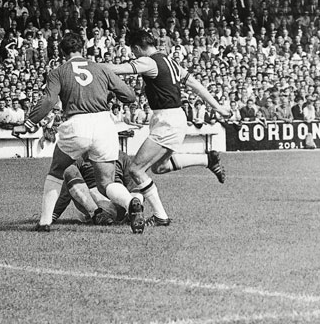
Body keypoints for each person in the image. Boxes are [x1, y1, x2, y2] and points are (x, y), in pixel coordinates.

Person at [13, 32, 142, 233]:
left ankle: (45, 222)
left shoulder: (58, 72)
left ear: (63, 52)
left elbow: (48, 100)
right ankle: (131, 201)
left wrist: (29, 122)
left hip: (77, 123)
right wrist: (107, 94)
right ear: (83, 49)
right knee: (106, 182)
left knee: (57, 170)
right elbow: (129, 95)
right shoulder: (101, 68)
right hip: (104, 124)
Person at [104, 30, 230, 227]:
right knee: (158, 167)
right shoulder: (170, 61)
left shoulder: (149, 62)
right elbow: (196, 85)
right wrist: (218, 107)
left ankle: (161, 216)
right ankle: (207, 158)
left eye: (133, 51)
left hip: (167, 119)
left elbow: (118, 69)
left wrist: (89, 66)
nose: (134, 55)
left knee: (136, 169)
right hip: (171, 117)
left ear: (137, 48)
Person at [52, 151, 137, 225]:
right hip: (95, 200)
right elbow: (133, 188)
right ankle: (98, 213)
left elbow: (133, 187)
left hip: (116, 203)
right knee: (70, 170)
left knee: (70, 170)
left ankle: (99, 214)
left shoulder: (122, 156)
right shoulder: (82, 156)